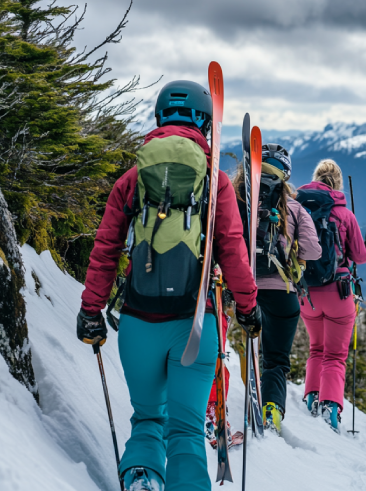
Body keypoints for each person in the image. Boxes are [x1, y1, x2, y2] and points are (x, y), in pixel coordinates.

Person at [75, 80, 259, 491]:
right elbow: (233, 252)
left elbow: (105, 248)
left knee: (147, 419)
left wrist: (91, 310)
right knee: (187, 430)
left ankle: (142, 477)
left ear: (160, 119)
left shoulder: (133, 178)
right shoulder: (217, 184)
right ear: (205, 124)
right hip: (195, 324)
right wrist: (248, 308)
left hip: (139, 322)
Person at [233, 143, 321, 434]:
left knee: (248, 341)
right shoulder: (294, 207)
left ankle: (247, 392)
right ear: (286, 173)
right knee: (277, 359)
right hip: (282, 290)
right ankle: (271, 409)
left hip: (241, 284)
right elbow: (312, 251)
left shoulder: (236, 197)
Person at [298, 159, 366, 432]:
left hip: (307, 294)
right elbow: (359, 257)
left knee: (315, 348)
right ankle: (331, 406)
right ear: (338, 184)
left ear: (315, 179)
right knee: (335, 355)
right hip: (339, 292)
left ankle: (311, 397)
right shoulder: (344, 214)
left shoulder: (298, 208)